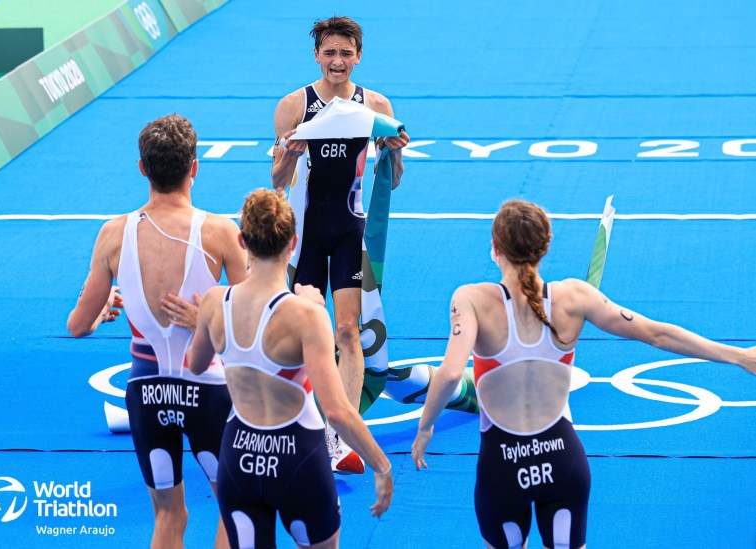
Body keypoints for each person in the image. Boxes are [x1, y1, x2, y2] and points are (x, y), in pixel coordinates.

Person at [411, 199, 756, 549]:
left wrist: (425, 427)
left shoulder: (471, 299)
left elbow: (452, 373)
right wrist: (740, 356)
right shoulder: (575, 296)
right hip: (563, 461)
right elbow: (657, 334)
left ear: (495, 248)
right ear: (546, 246)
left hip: (502, 467)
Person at [67, 113, 248, 549]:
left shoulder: (113, 234)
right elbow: (259, 317)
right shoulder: (221, 231)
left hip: (146, 392)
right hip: (208, 388)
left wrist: (102, 310)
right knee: (234, 508)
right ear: (194, 168)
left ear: (142, 168)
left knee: (169, 514)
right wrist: (212, 309)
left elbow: (77, 327)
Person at [186, 188, 394, 549]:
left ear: (241, 241)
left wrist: (212, 329)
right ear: (293, 242)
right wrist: (383, 466)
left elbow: (197, 365)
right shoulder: (304, 314)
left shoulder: (215, 303)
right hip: (296, 458)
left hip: (239, 455)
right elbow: (337, 410)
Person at [271, 15, 410, 474]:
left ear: (358, 56)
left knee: (348, 332)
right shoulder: (294, 106)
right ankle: (295, 422)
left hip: (350, 230)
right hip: (306, 235)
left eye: (345, 53)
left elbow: (393, 177)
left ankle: (340, 433)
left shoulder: (376, 105)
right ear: (317, 56)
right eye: (329, 53)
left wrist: (394, 151)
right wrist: (288, 156)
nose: (337, 61)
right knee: (302, 333)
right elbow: (277, 183)